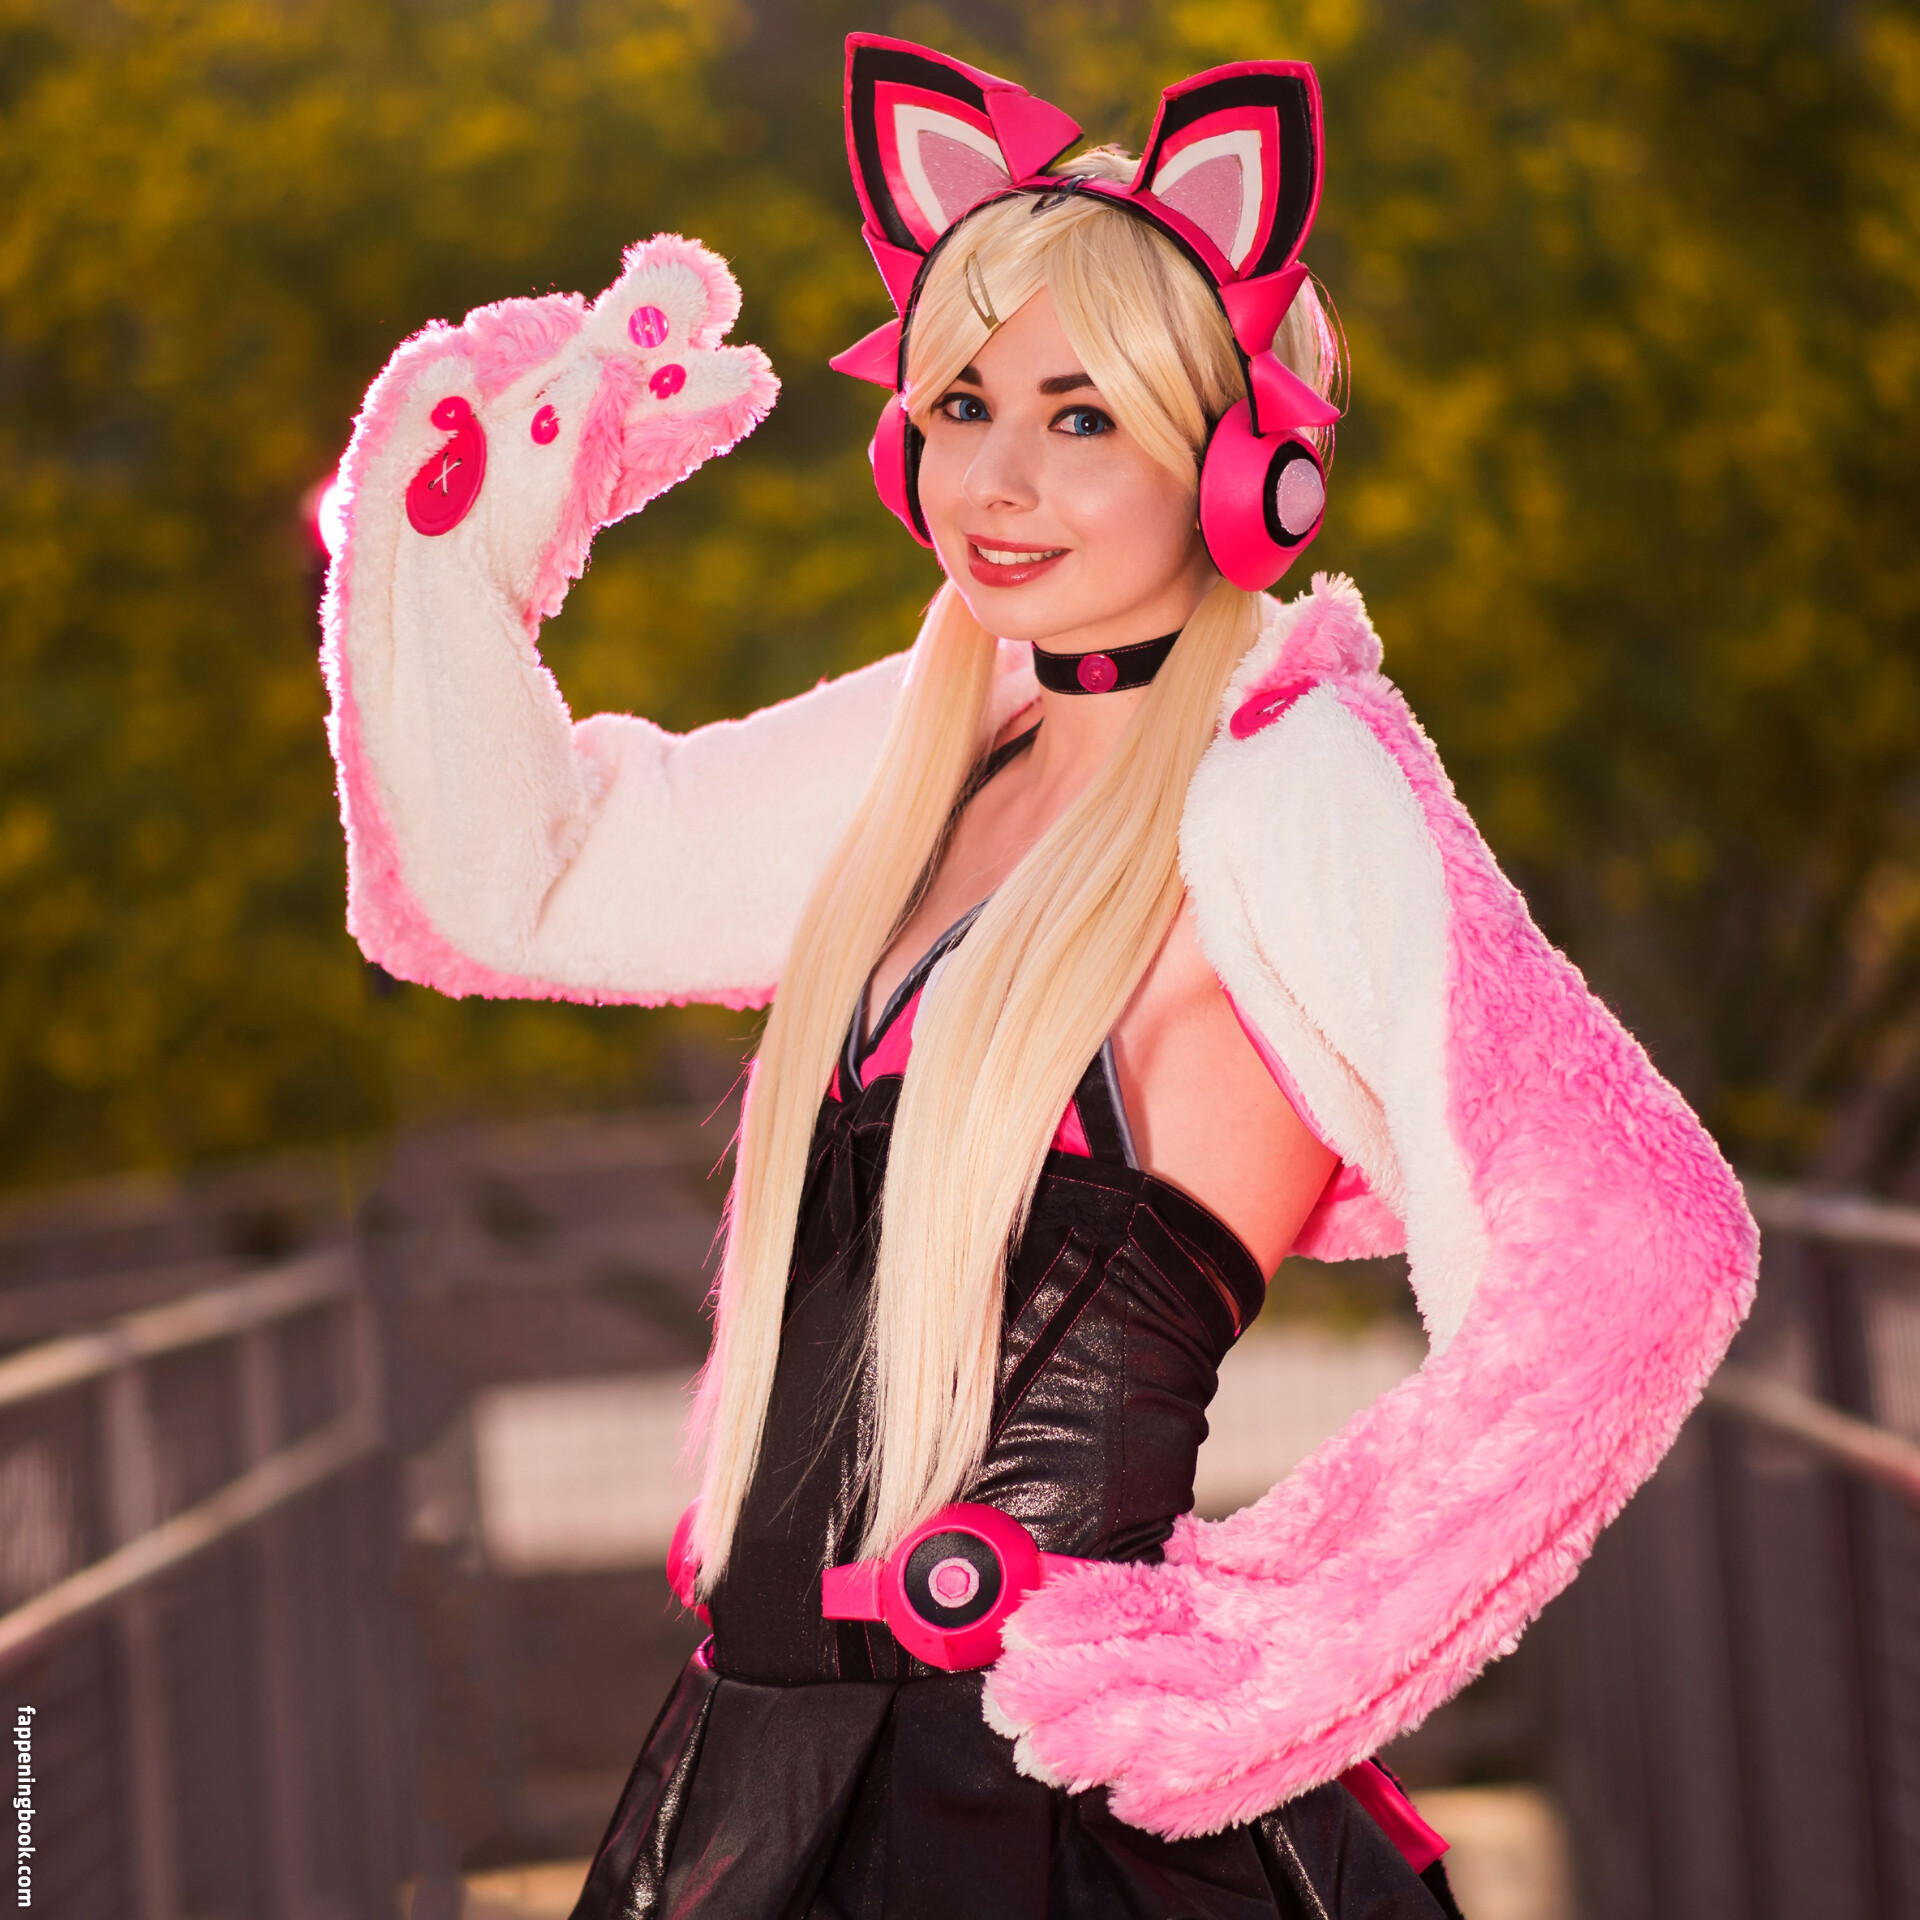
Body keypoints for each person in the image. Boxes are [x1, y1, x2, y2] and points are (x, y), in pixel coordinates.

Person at [320, 34, 1757, 1920]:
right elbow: (515, 894)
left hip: (1053, 1823)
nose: (992, 479)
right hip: (769, 1774)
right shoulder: (942, 741)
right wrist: (452, 547)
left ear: (1242, 468)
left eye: (1083, 419)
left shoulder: (1280, 781)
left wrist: (1273, 1656)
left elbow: (1641, 1245)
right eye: (961, 403)